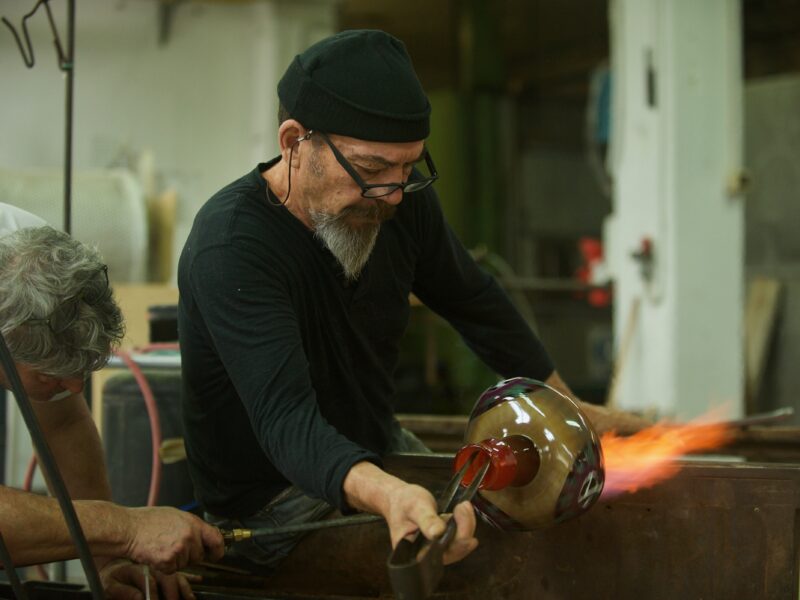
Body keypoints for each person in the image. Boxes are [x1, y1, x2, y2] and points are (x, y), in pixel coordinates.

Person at [178, 29, 649, 573]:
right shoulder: (233, 247)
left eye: (408, 168)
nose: (394, 194)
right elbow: (287, 421)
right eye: (371, 170)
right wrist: (391, 495)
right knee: (473, 564)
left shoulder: (395, 200)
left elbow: (472, 299)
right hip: (271, 505)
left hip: (376, 449)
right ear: (293, 142)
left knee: (514, 530)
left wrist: (568, 408)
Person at [0, 207, 225, 599]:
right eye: (50, 376)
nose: (75, 388)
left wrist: (107, 560)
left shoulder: (36, 256)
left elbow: (63, 426)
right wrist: (124, 529)